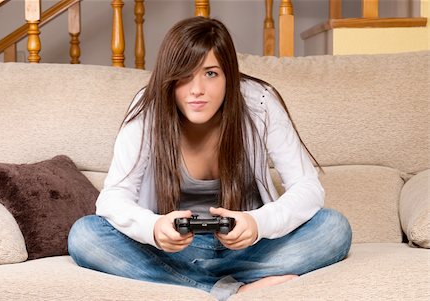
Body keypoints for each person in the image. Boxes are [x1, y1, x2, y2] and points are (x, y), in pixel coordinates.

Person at [68, 17, 352, 301]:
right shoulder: (148, 109)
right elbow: (112, 197)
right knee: (84, 235)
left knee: (333, 228)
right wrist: (154, 229)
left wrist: (256, 224)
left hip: (249, 250)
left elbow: (308, 187)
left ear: (229, 74)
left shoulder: (259, 103)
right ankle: (229, 290)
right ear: (169, 76)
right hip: (175, 253)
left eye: (211, 74)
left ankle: (184, 285)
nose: (197, 90)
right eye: (185, 75)